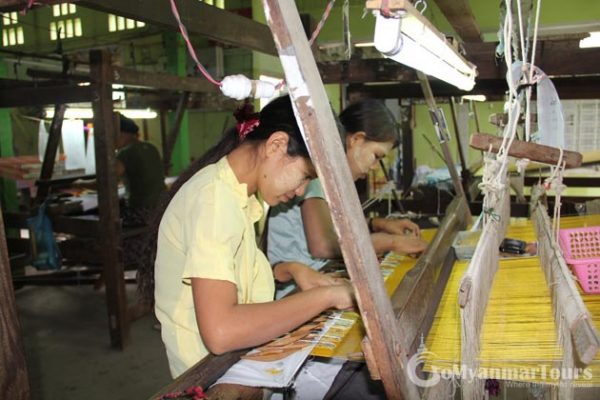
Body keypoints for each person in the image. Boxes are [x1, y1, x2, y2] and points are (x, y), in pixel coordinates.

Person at [143, 96, 355, 378]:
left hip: (234, 365)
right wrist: (326, 296)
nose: (302, 191)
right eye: (305, 176)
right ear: (276, 145)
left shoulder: (240, 197)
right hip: (209, 378)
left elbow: (229, 276)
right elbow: (222, 331)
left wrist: (288, 269)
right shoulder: (215, 201)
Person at [268, 99, 427, 296]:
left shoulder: (334, 180)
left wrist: (375, 224)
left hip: (316, 282)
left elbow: (332, 225)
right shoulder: (316, 176)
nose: (375, 166)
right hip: (295, 291)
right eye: (376, 156)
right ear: (357, 140)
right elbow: (324, 245)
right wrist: (391, 242)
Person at [115, 113, 166, 227]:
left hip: (140, 211)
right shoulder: (151, 147)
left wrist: (81, 183)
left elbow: (108, 182)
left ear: (123, 134)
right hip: (161, 207)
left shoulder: (126, 152)